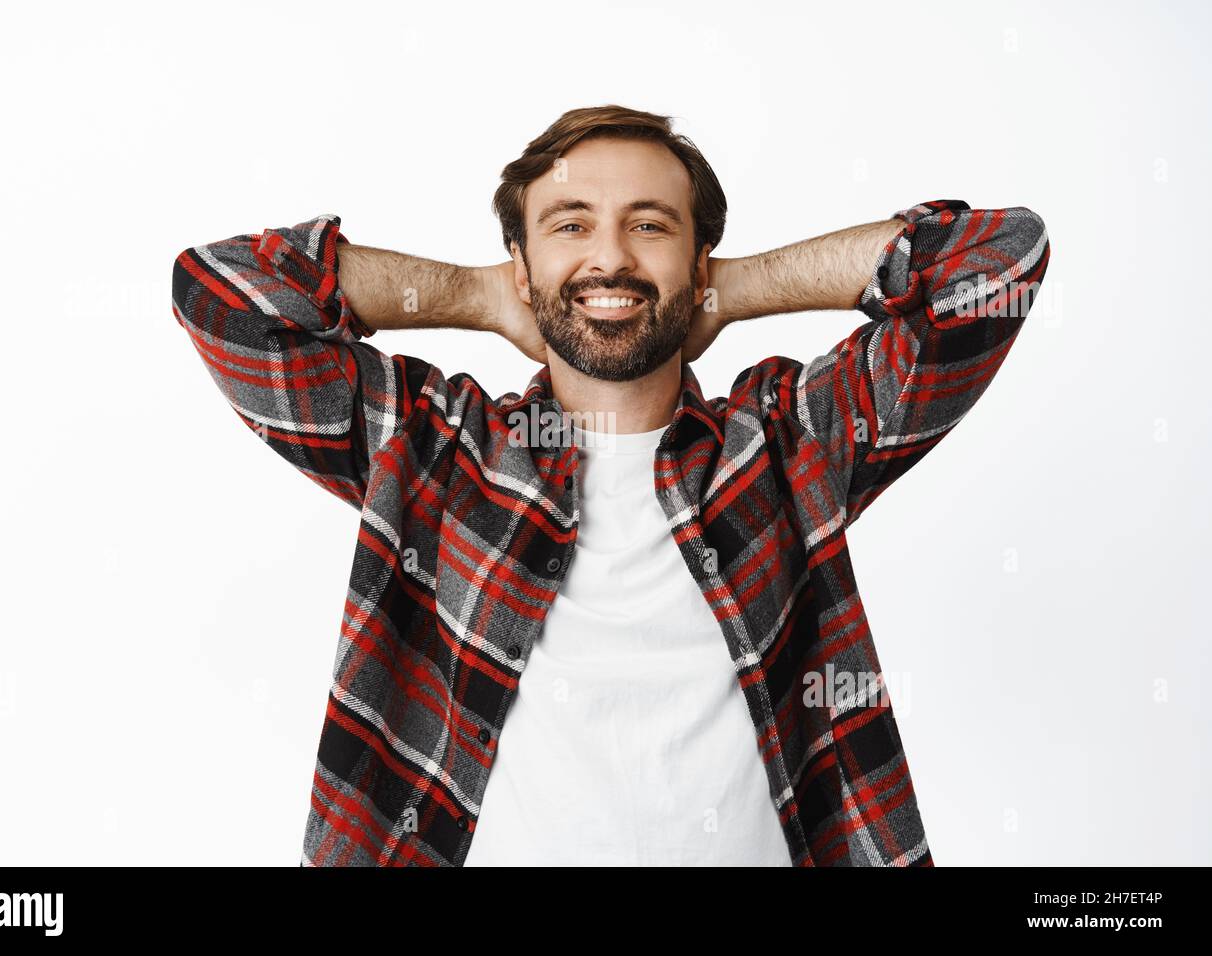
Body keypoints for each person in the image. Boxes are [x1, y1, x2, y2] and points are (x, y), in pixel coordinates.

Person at [171, 104, 1050, 866]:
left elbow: (996, 262)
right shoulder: (434, 451)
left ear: (699, 258)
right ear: (521, 263)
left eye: (650, 226)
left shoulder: (789, 445)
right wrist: (479, 295)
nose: (611, 258)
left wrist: (737, 288)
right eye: (570, 225)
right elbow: (223, 293)